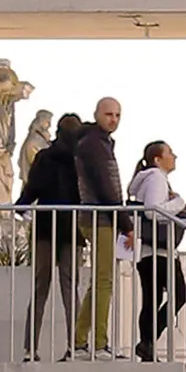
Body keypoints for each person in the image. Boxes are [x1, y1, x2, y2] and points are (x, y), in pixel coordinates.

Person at [15, 112, 84, 362]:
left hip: (45, 227)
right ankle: (75, 346)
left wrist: (20, 206)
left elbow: (32, 189)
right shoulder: (79, 159)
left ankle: (30, 348)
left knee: (40, 288)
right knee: (70, 288)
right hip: (72, 229)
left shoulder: (45, 157)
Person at [71, 97, 130, 358]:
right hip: (100, 218)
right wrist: (126, 224)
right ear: (97, 114)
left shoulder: (98, 142)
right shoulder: (94, 144)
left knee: (100, 281)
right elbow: (106, 188)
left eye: (117, 115)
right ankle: (97, 342)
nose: (114, 120)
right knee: (104, 281)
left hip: (100, 217)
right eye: (109, 114)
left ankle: (80, 340)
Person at [127, 139, 186, 361]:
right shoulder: (156, 177)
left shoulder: (149, 179)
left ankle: (147, 347)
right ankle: (147, 342)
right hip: (160, 252)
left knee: (151, 300)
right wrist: (179, 202)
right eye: (170, 153)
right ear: (157, 159)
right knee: (179, 295)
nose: (174, 157)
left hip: (148, 251)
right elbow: (153, 212)